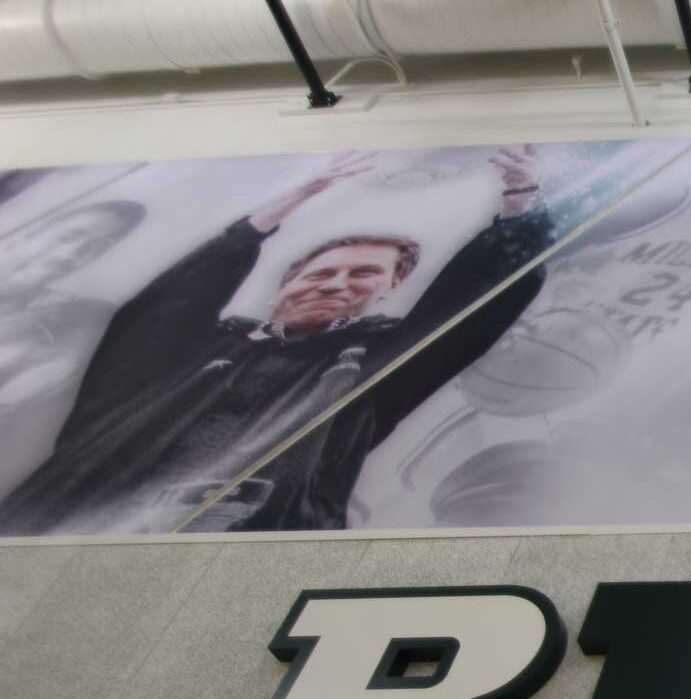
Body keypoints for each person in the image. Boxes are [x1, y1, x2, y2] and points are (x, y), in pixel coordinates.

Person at [0, 146, 555, 535]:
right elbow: (164, 310)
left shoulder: (372, 369)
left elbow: (467, 314)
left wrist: (519, 208)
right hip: (65, 529)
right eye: (320, 272)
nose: (337, 282)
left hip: (247, 552)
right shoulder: (186, 357)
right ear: (280, 289)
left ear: (386, 293)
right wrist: (271, 215)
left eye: (363, 275)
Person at [360, 134, 691, 527]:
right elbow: (546, 250)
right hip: (538, 348)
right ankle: (361, 521)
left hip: (617, 376)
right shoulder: (675, 198)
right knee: (410, 458)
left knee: (506, 492)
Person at [0, 200, 147, 498]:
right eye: (68, 237)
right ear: (27, 234)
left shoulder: (65, 328)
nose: (70, 255)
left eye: (95, 247)